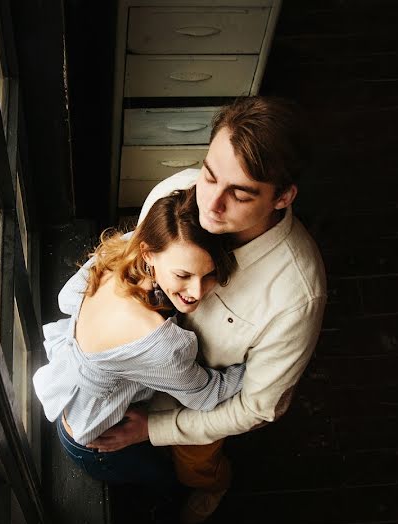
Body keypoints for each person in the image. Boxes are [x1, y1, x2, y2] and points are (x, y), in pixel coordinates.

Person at [88, 96, 327, 524]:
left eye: (239, 194)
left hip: (197, 412)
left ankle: (213, 484)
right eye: (211, 175)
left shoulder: (297, 296)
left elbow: (259, 407)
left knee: (195, 465)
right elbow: (135, 265)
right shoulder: (174, 193)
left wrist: (154, 430)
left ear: (284, 197)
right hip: (134, 376)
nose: (209, 204)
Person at [32, 190, 246, 487]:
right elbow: (206, 395)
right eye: (183, 274)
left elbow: (66, 299)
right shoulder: (161, 343)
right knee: (162, 485)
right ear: (149, 254)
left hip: (78, 410)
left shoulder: (122, 250)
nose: (196, 292)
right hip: (99, 444)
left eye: (208, 275)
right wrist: (258, 368)